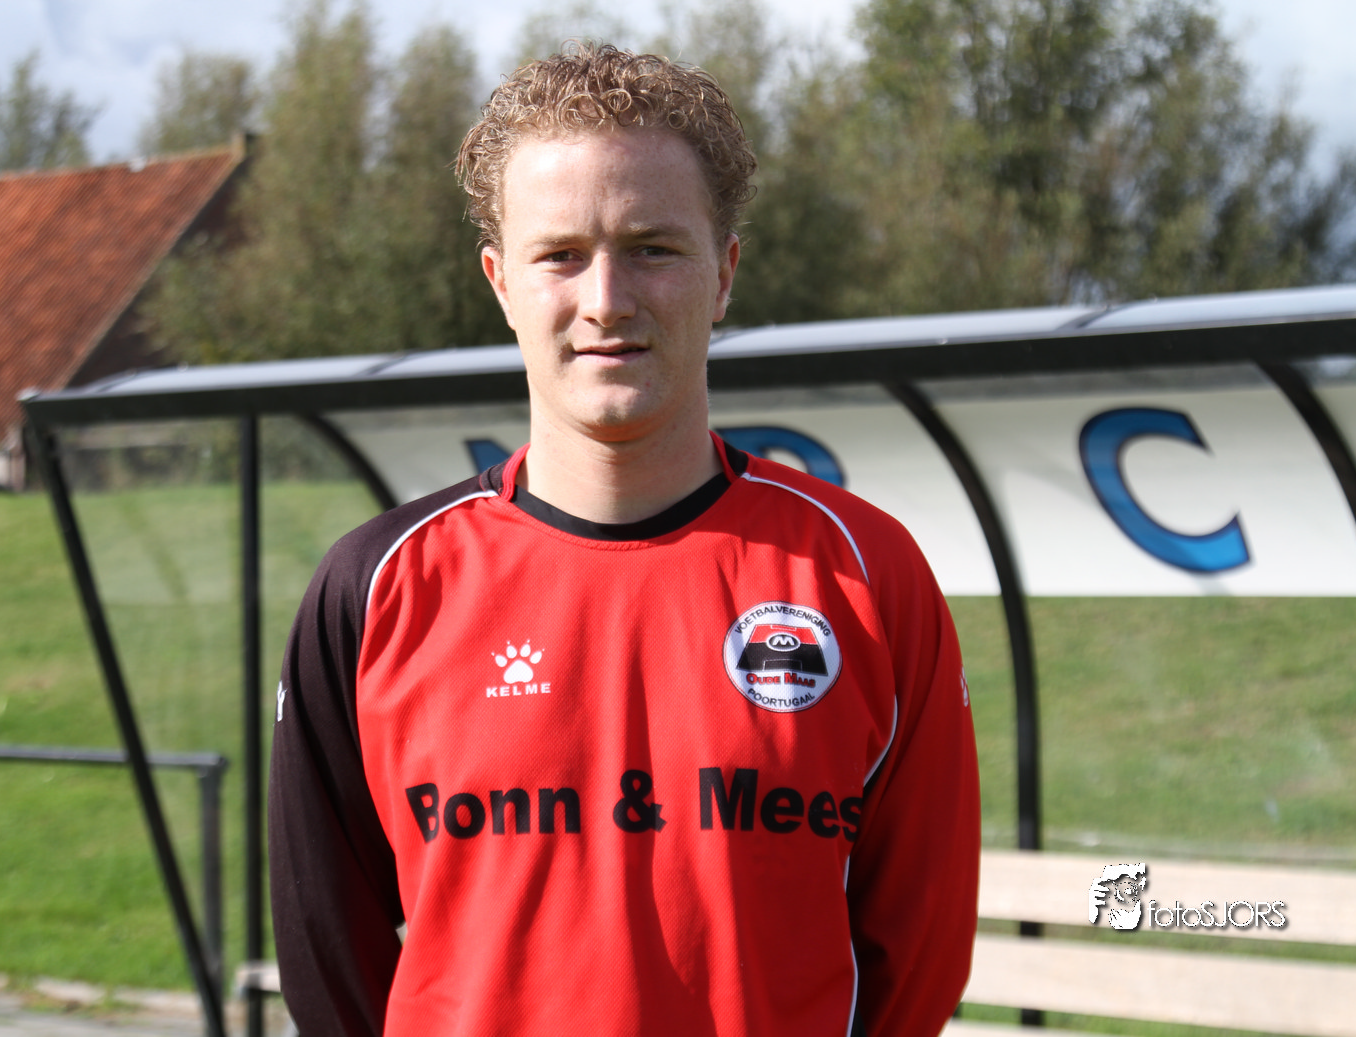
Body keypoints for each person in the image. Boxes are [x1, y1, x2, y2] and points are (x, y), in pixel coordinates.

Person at [268, 43, 980, 1037]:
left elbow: (918, 944)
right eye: (560, 254)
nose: (606, 297)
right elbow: (325, 950)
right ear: (501, 283)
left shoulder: (863, 575)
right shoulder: (375, 586)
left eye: (652, 247)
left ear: (723, 273)